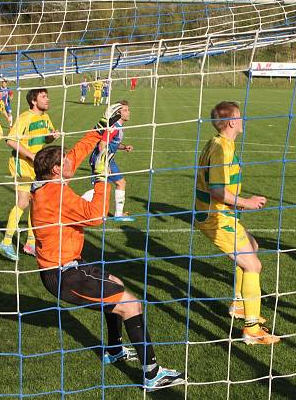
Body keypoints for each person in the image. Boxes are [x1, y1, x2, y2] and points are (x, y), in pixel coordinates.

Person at [30, 129, 185, 391]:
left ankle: (114, 350)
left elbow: (76, 154)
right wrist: (101, 178)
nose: (71, 160)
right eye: (65, 161)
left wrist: (99, 131)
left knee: (115, 283)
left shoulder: (48, 184)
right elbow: (95, 216)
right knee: (131, 305)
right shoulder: (55, 196)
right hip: (63, 275)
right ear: (57, 170)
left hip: (69, 266)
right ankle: (152, 374)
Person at [195, 101, 279, 345]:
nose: (243, 121)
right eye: (240, 117)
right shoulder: (222, 150)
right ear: (232, 122)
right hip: (216, 218)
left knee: (252, 246)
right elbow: (217, 191)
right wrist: (246, 202)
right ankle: (251, 330)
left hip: (219, 215)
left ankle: (240, 305)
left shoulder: (219, 142)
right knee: (253, 265)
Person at [2, 88, 60, 260]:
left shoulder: (45, 118)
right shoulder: (25, 117)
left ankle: (30, 243)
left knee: (36, 203)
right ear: (34, 101)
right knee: (23, 201)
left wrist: (52, 137)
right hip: (21, 163)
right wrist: (31, 155)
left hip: (37, 165)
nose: (47, 99)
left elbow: (46, 137)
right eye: (43, 97)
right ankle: (5, 242)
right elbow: (10, 140)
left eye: (47, 96)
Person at [89, 101, 135, 222]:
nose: (128, 112)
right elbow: (102, 145)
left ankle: (118, 215)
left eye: (128, 109)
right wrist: (104, 163)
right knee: (102, 188)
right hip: (101, 159)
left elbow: (113, 143)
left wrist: (124, 147)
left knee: (118, 184)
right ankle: (79, 208)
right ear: (118, 113)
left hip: (108, 159)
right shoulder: (114, 127)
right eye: (125, 110)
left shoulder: (118, 127)